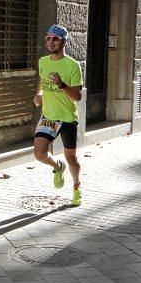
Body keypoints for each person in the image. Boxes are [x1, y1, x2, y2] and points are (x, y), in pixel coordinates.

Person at [33, 25, 84, 207]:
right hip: (49, 116)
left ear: (63, 41)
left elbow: (77, 96)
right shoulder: (43, 62)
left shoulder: (73, 65)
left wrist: (62, 84)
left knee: (72, 158)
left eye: (55, 38)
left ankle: (77, 188)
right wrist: (39, 93)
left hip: (68, 118)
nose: (51, 42)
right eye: (48, 38)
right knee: (39, 153)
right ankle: (57, 167)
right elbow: (41, 79)